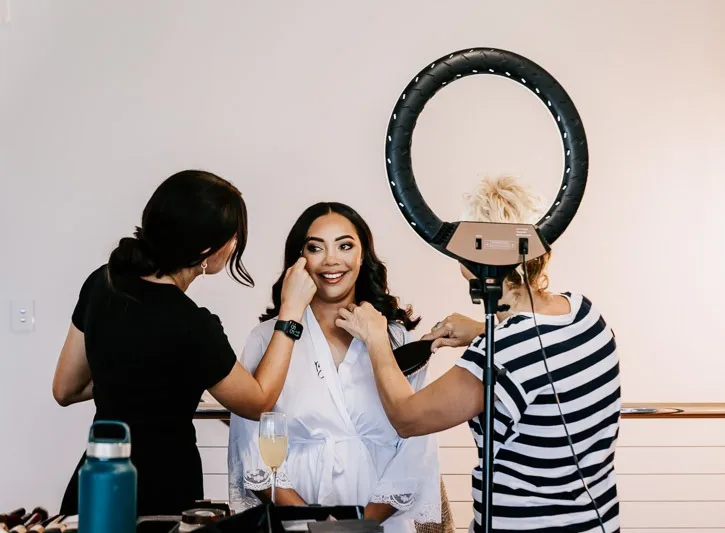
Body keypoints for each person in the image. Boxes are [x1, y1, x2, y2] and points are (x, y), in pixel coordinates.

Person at [336, 177, 621, 533]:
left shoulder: (503, 353)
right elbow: (540, 357)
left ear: (474, 260)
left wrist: (376, 338)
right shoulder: (583, 312)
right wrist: (485, 330)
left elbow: (407, 418)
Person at [52, 170, 295, 516]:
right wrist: (292, 312)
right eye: (233, 237)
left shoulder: (101, 283)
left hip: (97, 485)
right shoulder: (193, 324)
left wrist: (128, 373)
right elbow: (258, 402)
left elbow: (65, 389)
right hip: (161, 494)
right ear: (207, 251)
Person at [227, 202, 441, 533]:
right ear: (299, 259)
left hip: (381, 521)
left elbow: (418, 444)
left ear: (362, 256)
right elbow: (250, 448)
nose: (331, 260)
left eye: (345, 245)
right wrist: (310, 522)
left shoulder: (396, 338)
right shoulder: (265, 339)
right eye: (316, 247)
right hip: (292, 519)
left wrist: (361, 526)